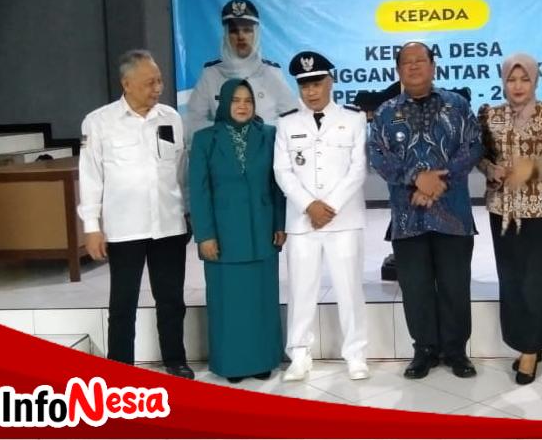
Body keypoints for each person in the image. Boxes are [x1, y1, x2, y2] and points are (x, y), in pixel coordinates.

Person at [368, 41, 482, 379]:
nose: (414, 66)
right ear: (398, 70)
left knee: (455, 286)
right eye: (407, 62)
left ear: (433, 66)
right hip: (408, 217)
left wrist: (438, 184)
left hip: (453, 215)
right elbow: (378, 156)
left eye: (421, 60)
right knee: (415, 288)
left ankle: (456, 351)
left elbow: (473, 146)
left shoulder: (457, 105)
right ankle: (424, 351)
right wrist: (417, 179)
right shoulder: (385, 112)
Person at [78, 50, 193, 379]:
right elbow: (91, 177)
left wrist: (186, 213)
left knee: (171, 299)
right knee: (123, 302)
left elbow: (180, 170)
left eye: (159, 81)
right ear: (126, 84)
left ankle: (175, 360)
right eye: (148, 83)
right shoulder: (99, 122)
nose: (157, 88)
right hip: (125, 228)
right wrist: (92, 226)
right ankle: (120, 368)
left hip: (168, 225)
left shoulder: (171, 117)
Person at [273, 50, 369, 382]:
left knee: (349, 289)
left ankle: (355, 354)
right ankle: (299, 355)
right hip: (303, 221)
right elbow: (282, 171)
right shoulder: (286, 123)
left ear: (331, 81)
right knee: (301, 290)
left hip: (344, 220)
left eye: (316, 83)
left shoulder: (354, 119)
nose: (311, 91)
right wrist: (309, 206)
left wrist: (329, 207)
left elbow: (358, 169)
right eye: (304, 85)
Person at [477, 52, 542, 385]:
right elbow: (481, 156)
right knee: (513, 279)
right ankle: (527, 341)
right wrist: (492, 169)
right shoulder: (490, 116)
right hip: (503, 209)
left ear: (535, 81)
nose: (517, 86)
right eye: (511, 80)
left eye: (524, 79)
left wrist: (530, 169)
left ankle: (531, 349)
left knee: (539, 280)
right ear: (503, 82)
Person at [189, 78, 286, 383]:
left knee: (261, 299)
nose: (242, 106)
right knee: (228, 303)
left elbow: (278, 185)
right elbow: (198, 191)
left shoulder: (269, 135)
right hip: (224, 237)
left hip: (262, 232)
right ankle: (232, 364)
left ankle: (263, 360)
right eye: (235, 100)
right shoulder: (205, 139)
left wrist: (280, 224)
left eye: (248, 100)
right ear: (224, 103)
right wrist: (204, 235)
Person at [185, 0, 298, 144]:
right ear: (226, 35)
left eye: (247, 30)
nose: (241, 37)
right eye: (234, 31)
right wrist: (226, 131)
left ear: (256, 34)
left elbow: (294, 120)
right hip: (222, 150)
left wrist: (260, 129)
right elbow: (192, 123)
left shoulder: (271, 73)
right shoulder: (211, 74)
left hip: (265, 150)